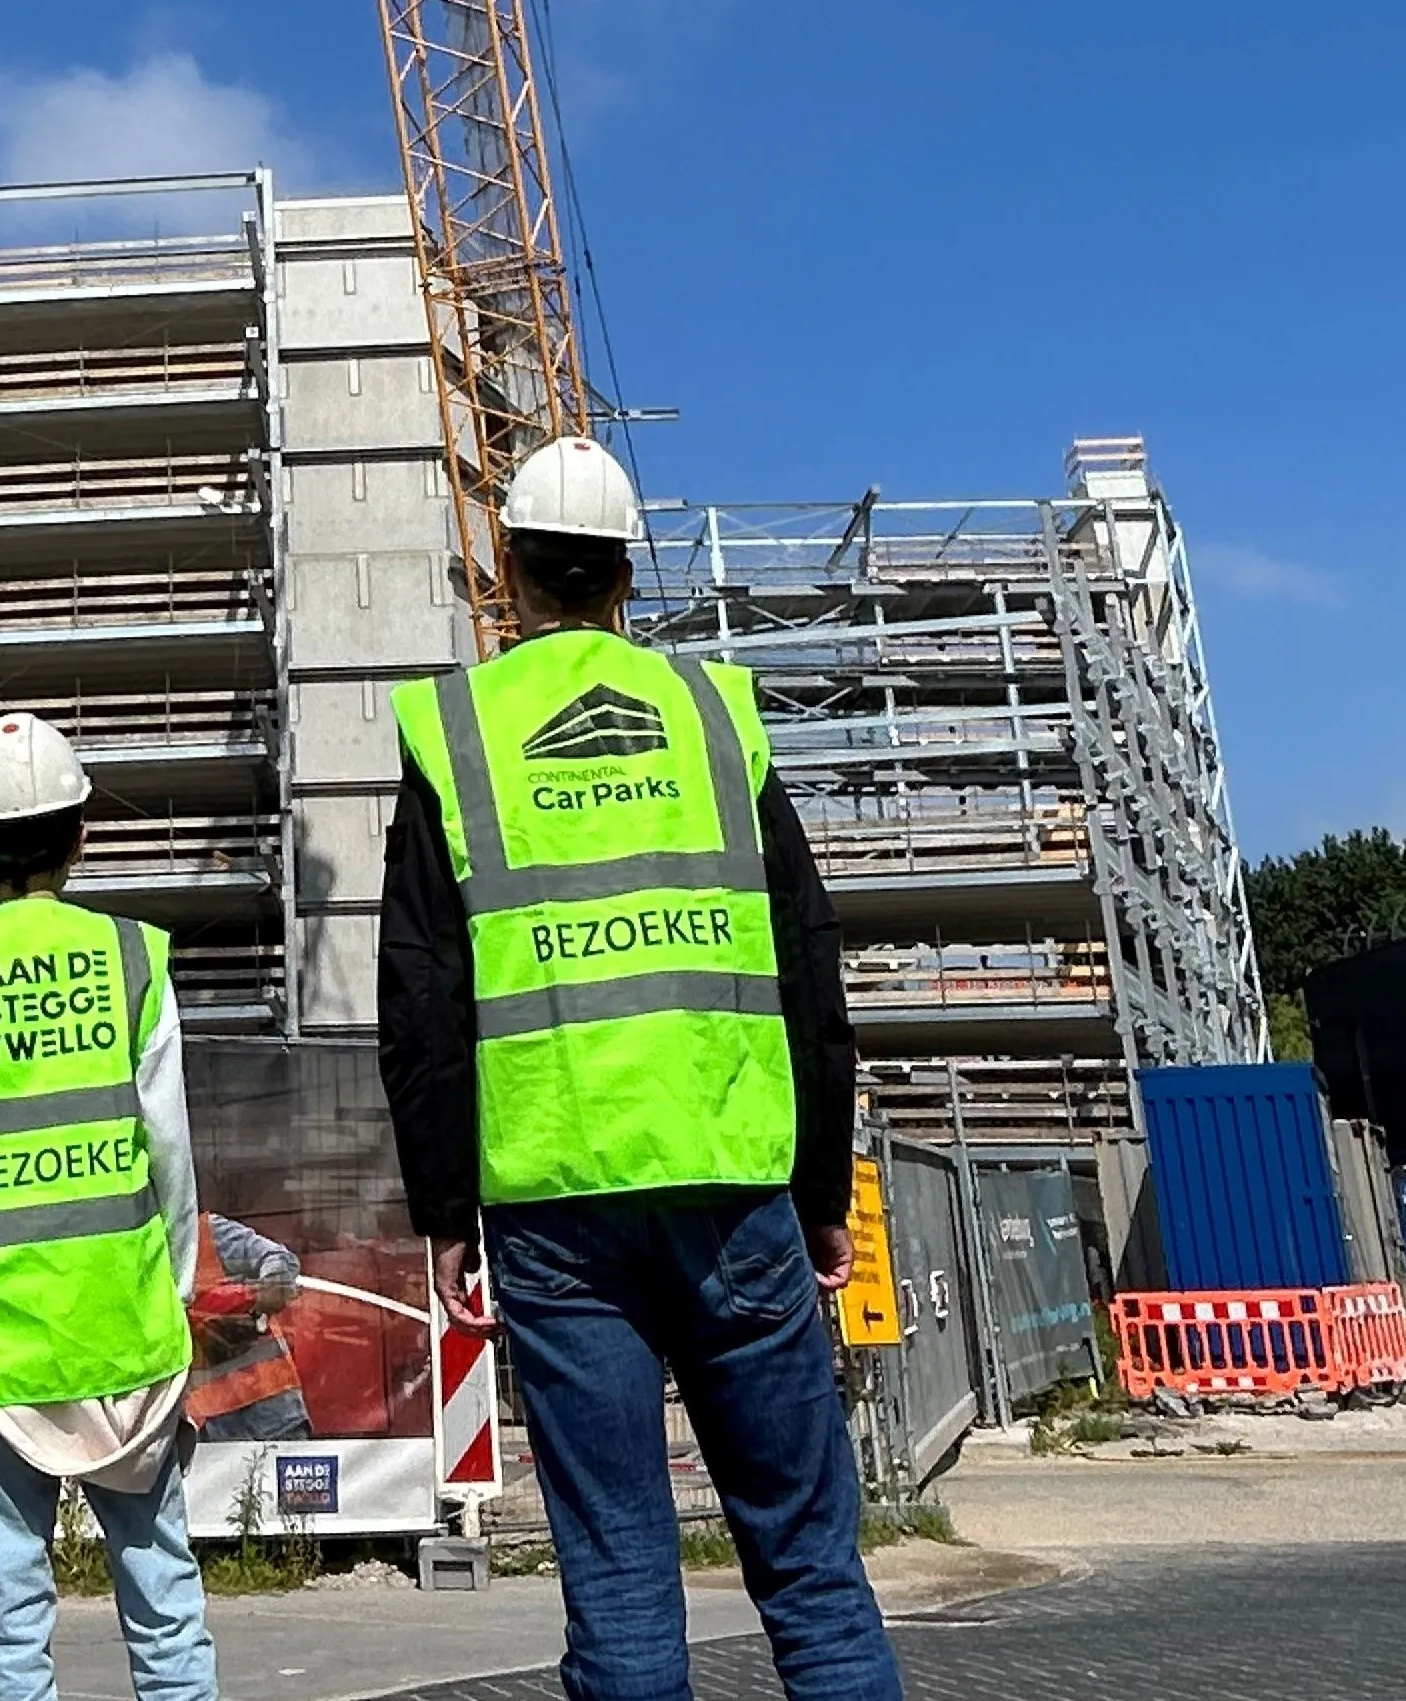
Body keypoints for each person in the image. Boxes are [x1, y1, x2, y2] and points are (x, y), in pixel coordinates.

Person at [378, 437, 902, 1701]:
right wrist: (823, 1187)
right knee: (811, 1568)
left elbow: (420, 1000)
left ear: (506, 570)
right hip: (735, 1186)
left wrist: (446, 1215)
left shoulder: (457, 729)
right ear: (627, 576)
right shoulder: (717, 717)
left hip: (557, 1206)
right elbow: (807, 970)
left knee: (618, 1571)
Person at [0, 712, 218, 1701]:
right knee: (161, 1589)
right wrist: (177, 1292)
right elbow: (172, 1156)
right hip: (123, 1326)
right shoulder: (133, 959)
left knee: (11, 1603)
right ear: (81, 833)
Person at [189, 1213, 311, 1443]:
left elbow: (281, 1260)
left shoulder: (208, 1232)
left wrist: (262, 1301)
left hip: (270, 1411)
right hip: (207, 1424)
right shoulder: (143, 1256)